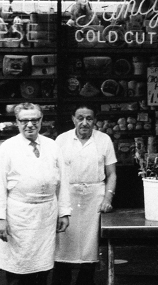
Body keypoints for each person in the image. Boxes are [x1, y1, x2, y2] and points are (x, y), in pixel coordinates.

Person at [0, 102, 71, 285]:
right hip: (19, 218)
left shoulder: (52, 146)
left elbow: (63, 181)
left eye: (34, 120)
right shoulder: (7, 149)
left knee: (43, 268)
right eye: (24, 120)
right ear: (16, 122)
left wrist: (64, 212)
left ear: (41, 121)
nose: (30, 124)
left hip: (46, 216)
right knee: (18, 270)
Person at [53, 105, 117, 285]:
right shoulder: (61, 140)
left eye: (89, 118)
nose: (84, 123)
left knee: (89, 249)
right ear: (73, 119)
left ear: (94, 120)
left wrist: (107, 198)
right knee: (63, 245)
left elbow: (112, 173)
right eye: (80, 118)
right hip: (68, 197)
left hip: (94, 199)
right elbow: (54, 174)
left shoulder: (104, 140)